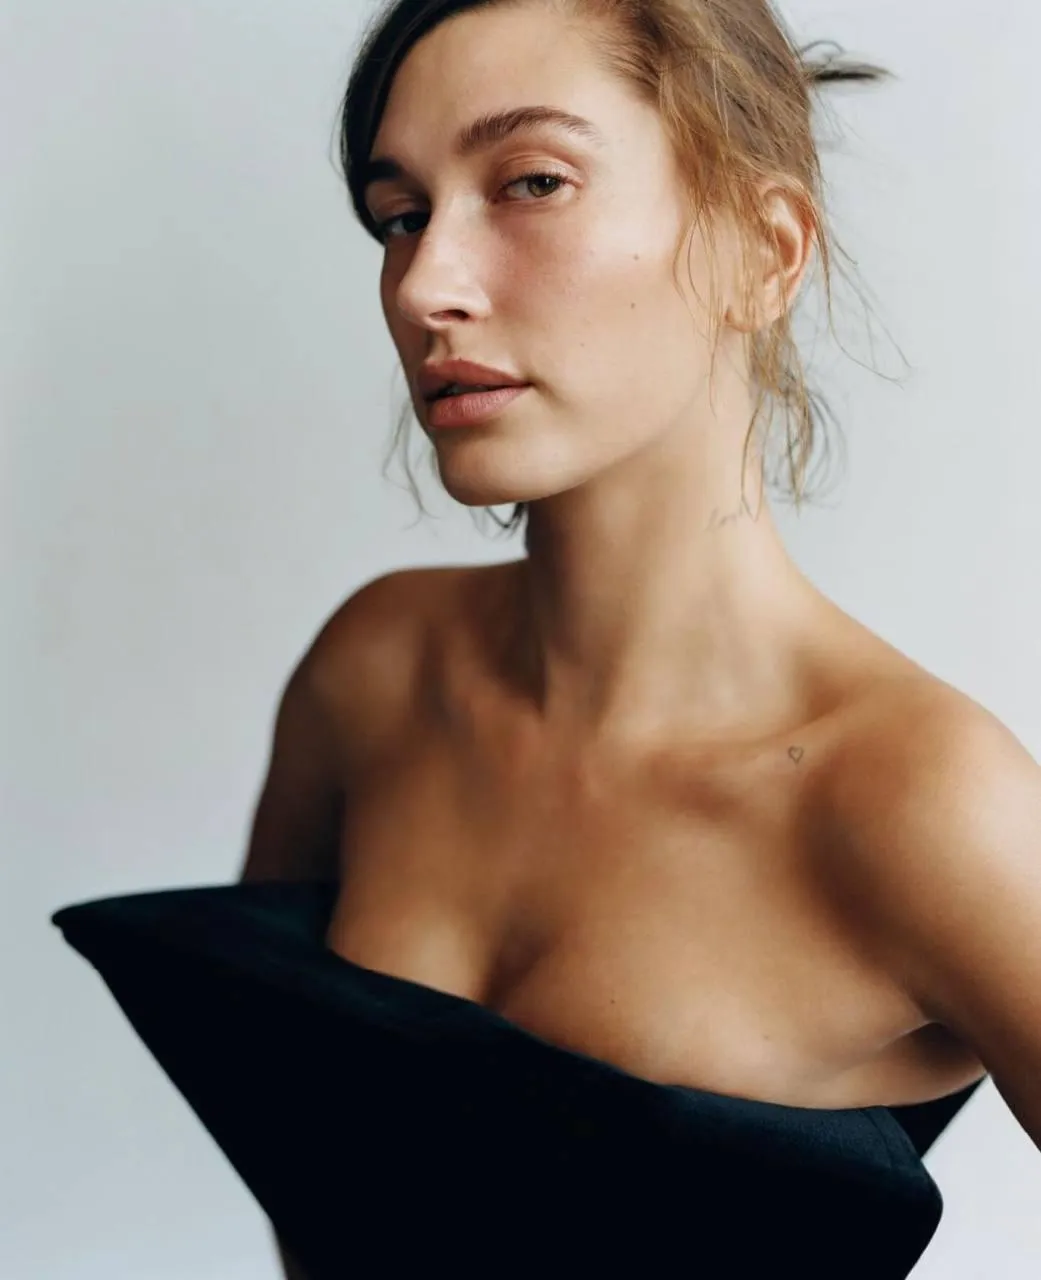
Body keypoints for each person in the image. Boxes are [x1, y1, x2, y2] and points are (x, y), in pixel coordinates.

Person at [52, 1, 1041, 1277]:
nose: (423, 284)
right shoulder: (378, 668)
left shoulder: (921, 799)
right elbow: (293, 1135)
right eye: (399, 213)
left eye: (530, 181)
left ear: (764, 248)